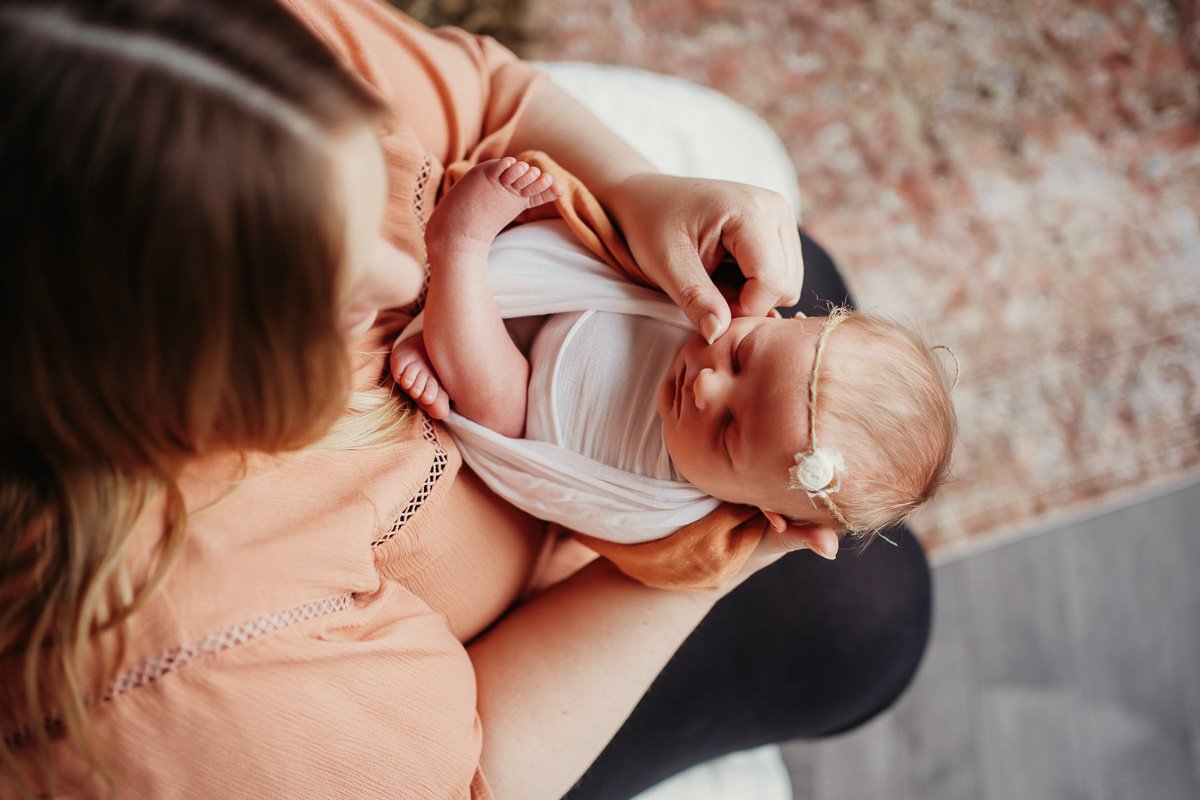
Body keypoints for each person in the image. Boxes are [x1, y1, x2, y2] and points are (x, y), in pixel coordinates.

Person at [0, 1, 933, 798]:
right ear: (143, 375)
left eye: (376, 188)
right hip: (481, 684)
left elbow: (486, 95)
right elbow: (473, 773)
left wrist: (637, 191)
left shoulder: (172, 51)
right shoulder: (189, 664)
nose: (409, 258)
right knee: (874, 616)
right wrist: (706, 558)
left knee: (806, 280)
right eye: (325, 291)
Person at [391, 157, 955, 587]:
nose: (708, 386)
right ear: (784, 318)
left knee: (501, 405)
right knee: (611, 252)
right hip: (558, 296)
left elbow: (681, 568)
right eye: (742, 357)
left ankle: (458, 252)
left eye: (730, 431)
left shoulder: (681, 518)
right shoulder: (724, 308)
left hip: (518, 411)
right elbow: (641, 251)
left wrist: (760, 550)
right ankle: (442, 323)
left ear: (766, 512)